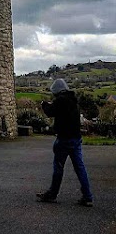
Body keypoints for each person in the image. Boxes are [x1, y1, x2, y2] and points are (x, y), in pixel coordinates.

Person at [37, 78, 93, 206]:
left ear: (56, 91)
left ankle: (52, 194)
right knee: (80, 168)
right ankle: (87, 196)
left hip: (64, 139)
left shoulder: (60, 100)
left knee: (58, 167)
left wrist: (44, 104)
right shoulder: (73, 101)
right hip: (76, 138)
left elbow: (50, 112)